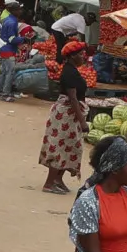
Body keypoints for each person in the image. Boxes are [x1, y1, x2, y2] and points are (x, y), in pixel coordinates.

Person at [39, 41, 91, 194]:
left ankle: (58, 179)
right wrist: (82, 121)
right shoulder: (69, 73)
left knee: (70, 146)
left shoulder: (73, 70)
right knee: (59, 146)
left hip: (70, 115)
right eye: (81, 54)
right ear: (72, 56)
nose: (83, 57)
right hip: (66, 115)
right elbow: (73, 99)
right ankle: (49, 183)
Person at [0, 1, 29, 102]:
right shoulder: (13, 22)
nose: (20, 11)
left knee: (4, 72)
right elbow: (12, 39)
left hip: (3, 49)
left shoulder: (7, 20)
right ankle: (5, 94)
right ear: (13, 11)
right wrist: (23, 39)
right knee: (10, 73)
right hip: (9, 50)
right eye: (18, 9)